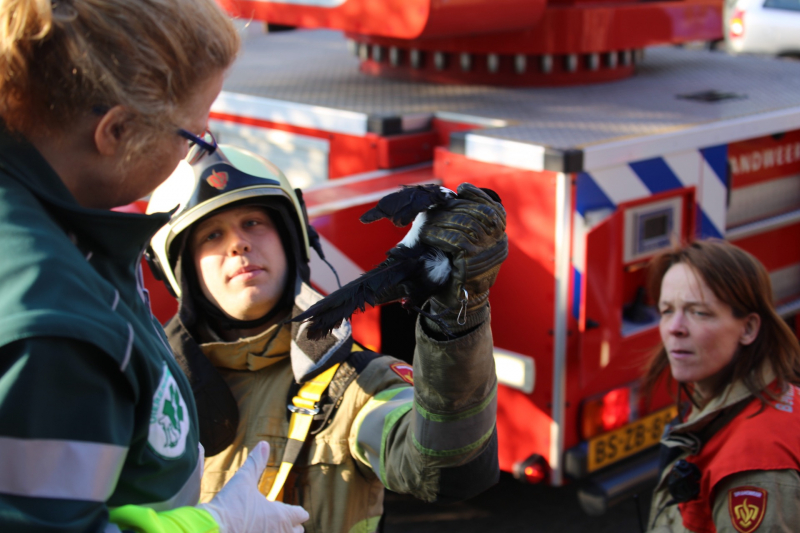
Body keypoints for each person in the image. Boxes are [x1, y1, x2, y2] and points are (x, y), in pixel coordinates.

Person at [0, 1, 309, 532]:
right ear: (116, 133)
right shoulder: (55, 326)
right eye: (192, 134)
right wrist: (213, 526)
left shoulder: (52, 221)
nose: (204, 147)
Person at [145, 142, 507, 533]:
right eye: (212, 235)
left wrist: (457, 319)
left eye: (253, 222)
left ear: (292, 239)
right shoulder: (151, 390)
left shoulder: (354, 385)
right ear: (180, 273)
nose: (238, 244)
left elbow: (448, 470)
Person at [643, 239, 800, 533]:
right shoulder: (724, 404)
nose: (675, 327)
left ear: (749, 328)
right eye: (666, 310)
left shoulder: (753, 469)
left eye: (698, 312)